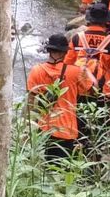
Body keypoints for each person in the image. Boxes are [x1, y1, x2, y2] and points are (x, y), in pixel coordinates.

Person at [26, 33, 96, 162]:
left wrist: (27, 129)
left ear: (48, 50)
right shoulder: (75, 71)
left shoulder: (36, 70)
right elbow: (93, 90)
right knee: (61, 167)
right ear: (65, 52)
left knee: (44, 166)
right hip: (66, 129)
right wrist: (87, 72)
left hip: (44, 128)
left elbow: (30, 102)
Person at [65, 3, 110, 135]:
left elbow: (67, 66)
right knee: (99, 128)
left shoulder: (77, 38)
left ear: (89, 19)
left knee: (79, 126)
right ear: (106, 21)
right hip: (101, 92)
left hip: (78, 90)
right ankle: (96, 153)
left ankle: (78, 150)